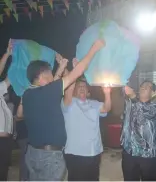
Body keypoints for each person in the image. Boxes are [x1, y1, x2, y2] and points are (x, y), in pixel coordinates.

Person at [18, 39, 105, 181]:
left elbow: (19, 114)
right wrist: (94, 48)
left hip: (32, 153)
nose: (53, 76)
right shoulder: (48, 91)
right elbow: (75, 75)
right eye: (49, 74)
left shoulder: (27, 94)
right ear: (41, 77)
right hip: (49, 157)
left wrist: (62, 67)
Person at [62, 73, 112, 181]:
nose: (82, 88)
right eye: (78, 86)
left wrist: (107, 93)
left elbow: (106, 108)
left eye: (84, 87)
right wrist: (76, 72)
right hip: (76, 153)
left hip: (95, 151)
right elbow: (67, 87)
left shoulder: (94, 103)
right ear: (73, 91)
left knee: (93, 179)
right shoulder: (68, 104)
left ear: (88, 91)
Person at [121, 81, 156, 181]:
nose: (143, 87)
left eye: (147, 87)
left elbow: (145, 111)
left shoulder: (153, 106)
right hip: (129, 151)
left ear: (153, 92)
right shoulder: (129, 103)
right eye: (142, 86)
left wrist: (133, 97)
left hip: (146, 153)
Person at [0, 40, 13, 181]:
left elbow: (10, 79)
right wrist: (7, 54)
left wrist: (19, 63)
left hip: (5, 141)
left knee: (3, 174)